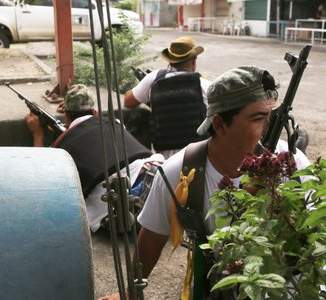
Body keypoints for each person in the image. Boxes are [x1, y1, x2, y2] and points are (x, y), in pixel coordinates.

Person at [99, 66, 310, 299]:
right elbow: (152, 236)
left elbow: (315, 236)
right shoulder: (180, 172)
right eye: (258, 119)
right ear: (219, 124)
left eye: (270, 118)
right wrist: (129, 293)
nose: (268, 129)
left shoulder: (293, 165)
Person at [25, 84, 163, 233]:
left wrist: (37, 133)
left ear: (66, 115)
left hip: (109, 204)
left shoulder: (59, 148)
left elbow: (39, 179)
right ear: (95, 112)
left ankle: (133, 210)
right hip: (150, 168)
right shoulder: (113, 123)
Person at [124, 36, 212, 159]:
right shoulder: (205, 86)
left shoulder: (154, 79)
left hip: (164, 161)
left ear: (170, 60)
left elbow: (128, 101)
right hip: (199, 158)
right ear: (193, 62)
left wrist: (151, 95)